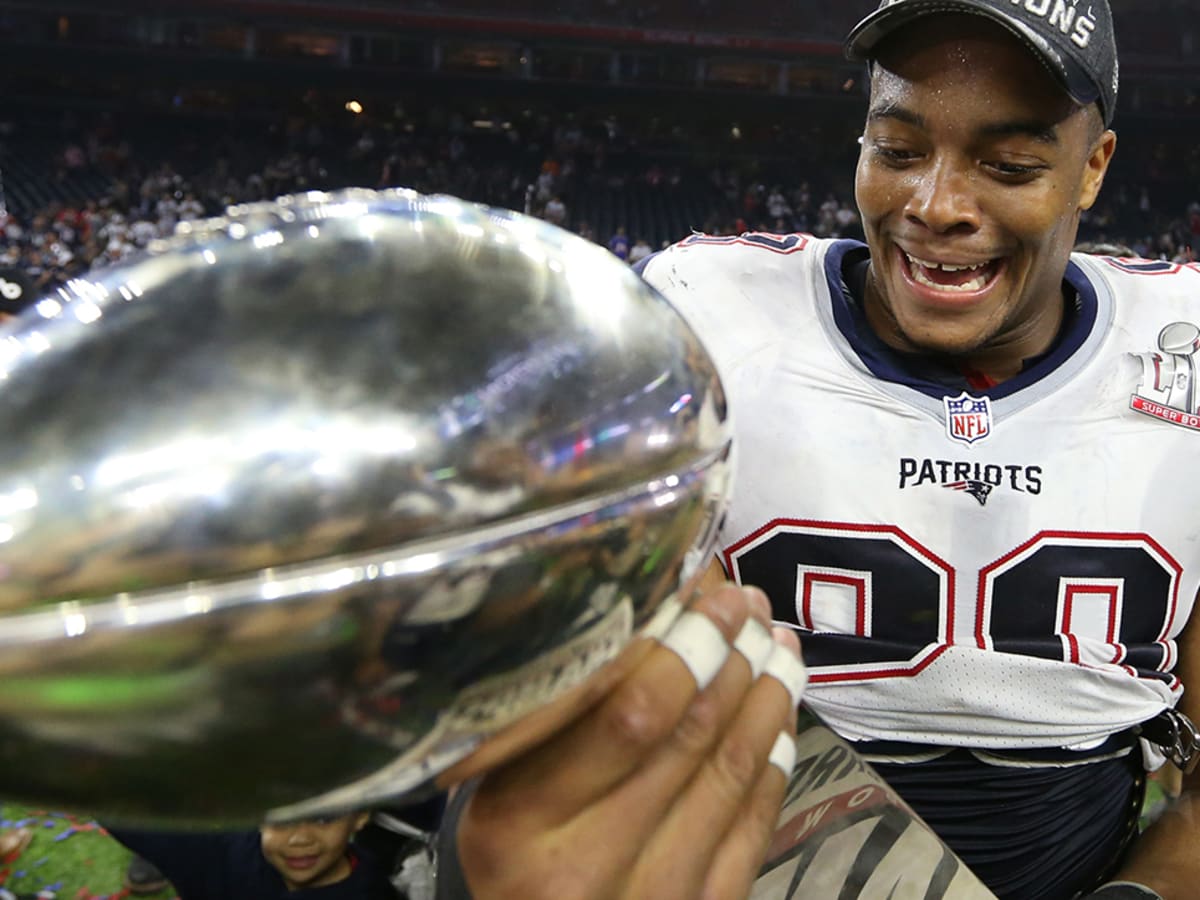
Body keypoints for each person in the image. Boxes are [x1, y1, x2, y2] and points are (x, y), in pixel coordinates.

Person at [442, 1, 1200, 898]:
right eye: (898, 149)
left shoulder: (1180, 339)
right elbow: (533, 696)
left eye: (1009, 165)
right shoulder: (705, 315)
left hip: (1093, 851)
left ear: (1091, 170)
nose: (938, 205)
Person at [108, 811, 396, 899]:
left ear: (360, 816)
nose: (300, 838)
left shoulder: (374, 893)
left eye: (323, 819)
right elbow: (119, 811)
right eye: (283, 819)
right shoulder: (227, 858)